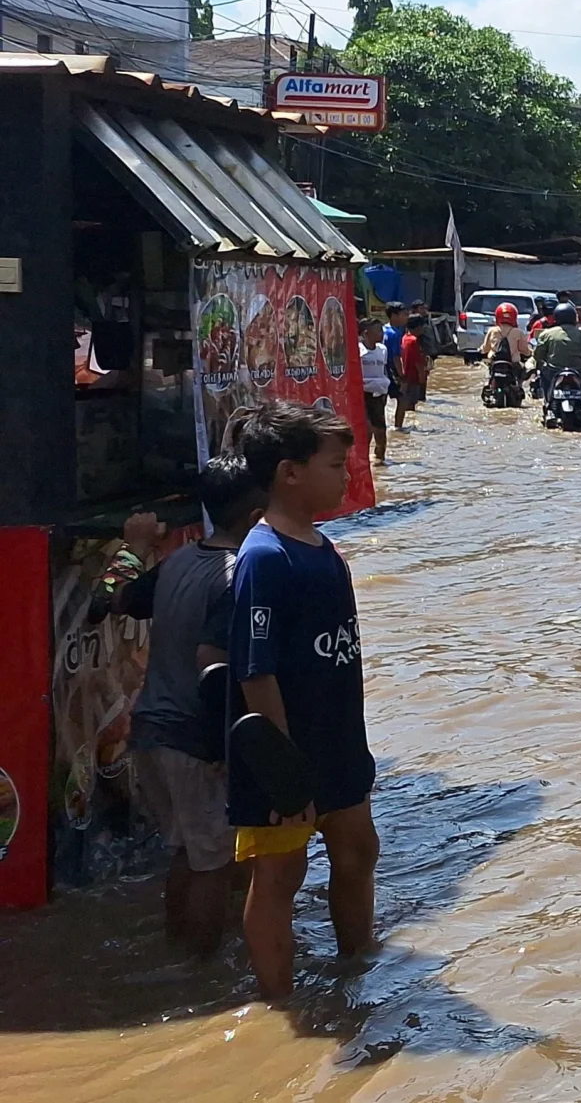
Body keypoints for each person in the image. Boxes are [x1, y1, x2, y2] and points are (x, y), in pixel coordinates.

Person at [226, 400, 379, 1003]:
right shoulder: (265, 558)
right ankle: (278, 1002)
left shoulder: (321, 545)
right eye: (336, 465)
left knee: (359, 850)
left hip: (339, 742)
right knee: (280, 877)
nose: (347, 475)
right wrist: (284, 773)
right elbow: (255, 673)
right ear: (290, 472)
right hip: (285, 753)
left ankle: (358, 969)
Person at [127, 457, 264, 955]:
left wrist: (136, 550)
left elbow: (120, 600)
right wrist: (222, 745)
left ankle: (177, 955)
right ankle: (203, 971)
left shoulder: (179, 560)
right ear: (255, 515)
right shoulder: (238, 576)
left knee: (187, 852)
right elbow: (219, 671)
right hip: (196, 740)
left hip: (148, 731)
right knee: (214, 864)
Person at [529, 303, 581, 398]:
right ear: (574, 317)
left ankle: (548, 399)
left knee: (543, 372)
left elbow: (538, 355)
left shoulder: (546, 334)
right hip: (578, 371)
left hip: (553, 371)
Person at [358, 318, 391, 464]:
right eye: (378, 330)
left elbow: (384, 370)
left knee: (381, 430)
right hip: (362, 393)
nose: (382, 333)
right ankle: (363, 459)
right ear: (366, 333)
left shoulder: (383, 350)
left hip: (379, 394)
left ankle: (380, 459)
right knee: (367, 428)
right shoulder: (357, 350)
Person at [394, 306, 432, 429]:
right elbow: (418, 363)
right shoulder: (414, 341)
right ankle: (407, 427)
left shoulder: (404, 338)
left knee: (406, 404)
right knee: (411, 405)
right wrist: (422, 378)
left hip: (405, 377)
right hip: (413, 377)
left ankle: (402, 425)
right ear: (418, 327)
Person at [480, 302, 530, 368]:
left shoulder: (492, 330)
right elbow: (524, 350)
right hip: (513, 364)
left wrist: (479, 350)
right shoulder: (518, 332)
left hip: (494, 364)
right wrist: (530, 352)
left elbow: (485, 349)